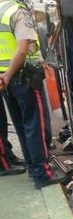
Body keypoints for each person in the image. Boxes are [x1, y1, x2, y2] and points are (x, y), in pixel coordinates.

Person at [0, 0, 62, 188]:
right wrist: (9, 76)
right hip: (21, 76)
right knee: (36, 126)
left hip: (5, 79)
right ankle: (42, 174)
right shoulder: (17, 11)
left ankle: (32, 166)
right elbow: (22, 49)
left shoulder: (2, 9)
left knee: (21, 125)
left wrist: (4, 78)